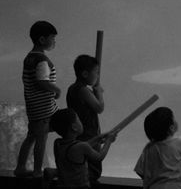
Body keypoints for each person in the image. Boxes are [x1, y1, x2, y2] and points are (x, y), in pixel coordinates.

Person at [14, 21, 61, 178]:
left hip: (33, 107)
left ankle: (20, 167)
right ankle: (37, 171)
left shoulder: (29, 58)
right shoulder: (42, 60)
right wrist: (56, 89)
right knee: (41, 141)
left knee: (31, 138)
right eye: (52, 38)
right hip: (43, 109)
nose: (54, 41)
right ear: (42, 40)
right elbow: (42, 81)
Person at [134, 106, 181, 189]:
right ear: (171, 128)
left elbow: (140, 171)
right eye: (174, 119)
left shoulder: (148, 148)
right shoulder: (179, 143)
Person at [50, 108, 116, 188]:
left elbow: (80, 148)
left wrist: (97, 138)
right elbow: (99, 157)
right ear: (74, 127)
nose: (81, 122)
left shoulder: (58, 143)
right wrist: (108, 141)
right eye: (78, 120)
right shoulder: (81, 147)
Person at [67, 54, 104, 184]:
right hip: (89, 134)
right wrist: (99, 93)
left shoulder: (71, 89)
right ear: (85, 74)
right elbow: (99, 108)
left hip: (77, 134)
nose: (97, 76)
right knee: (92, 169)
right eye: (96, 72)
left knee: (79, 165)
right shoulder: (83, 90)